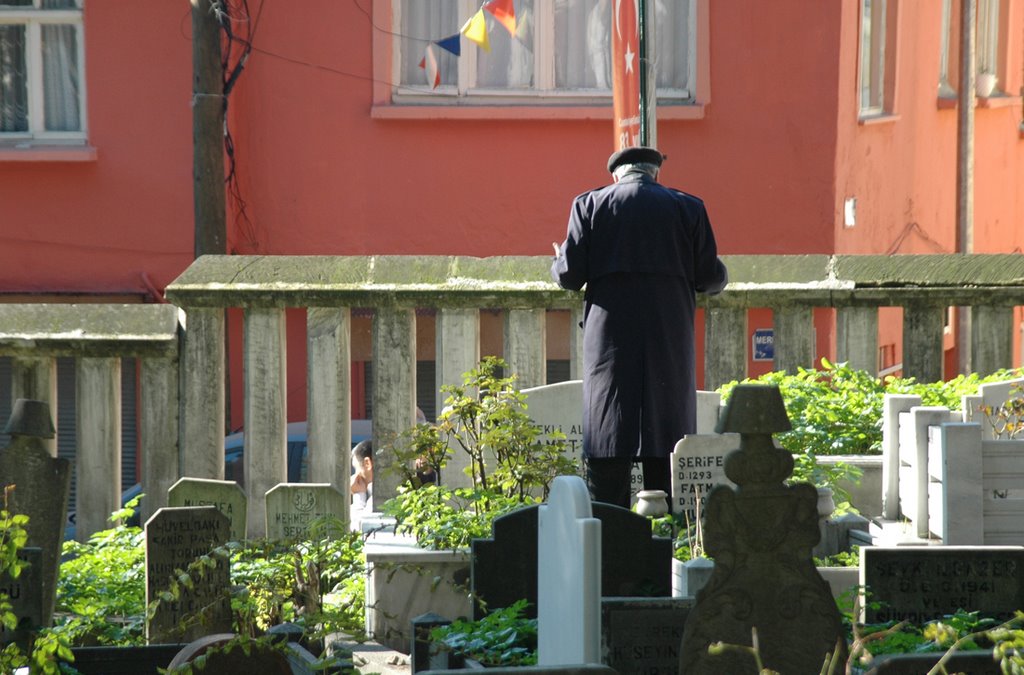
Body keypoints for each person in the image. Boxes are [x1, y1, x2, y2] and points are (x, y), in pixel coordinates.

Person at [550, 146, 728, 509]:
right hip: (668, 338)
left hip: (611, 343)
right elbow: (711, 277)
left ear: (616, 174)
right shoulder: (688, 207)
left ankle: (609, 538)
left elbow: (569, 276)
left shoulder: (590, 205)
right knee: (665, 442)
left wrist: (557, 260)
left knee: (608, 438)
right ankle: (664, 542)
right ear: (655, 173)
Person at [350, 439, 374, 510]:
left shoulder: (378, 498)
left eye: (356, 468)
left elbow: (357, 520)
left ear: (367, 463)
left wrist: (359, 494)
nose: (355, 475)